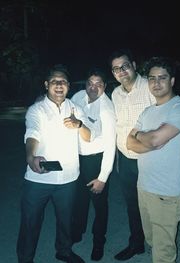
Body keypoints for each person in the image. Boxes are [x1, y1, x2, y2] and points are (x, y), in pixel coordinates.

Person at [16, 64, 92, 263]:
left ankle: (64, 251)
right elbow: (32, 133)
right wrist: (30, 157)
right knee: (30, 221)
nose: (59, 85)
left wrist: (80, 124)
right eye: (55, 81)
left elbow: (88, 136)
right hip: (38, 177)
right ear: (46, 84)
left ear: (68, 86)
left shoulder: (76, 108)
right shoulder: (37, 109)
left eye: (63, 82)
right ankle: (25, 259)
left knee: (66, 220)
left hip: (68, 178)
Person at [126, 56, 180, 263]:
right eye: (152, 78)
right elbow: (129, 142)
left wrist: (147, 138)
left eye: (162, 78)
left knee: (163, 254)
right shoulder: (147, 111)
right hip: (144, 187)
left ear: (172, 81)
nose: (156, 83)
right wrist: (145, 138)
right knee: (152, 241)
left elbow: (154, 140)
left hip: (166, 194)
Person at [109, 48, 156, 261]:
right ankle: (136, 243)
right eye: (116, 68)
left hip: (150, 159)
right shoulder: (115, 94)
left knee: (154, 204)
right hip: (125, 159)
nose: (121, 71)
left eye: (125, 66)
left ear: (134, 65)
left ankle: (158, 245)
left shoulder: (149, 86)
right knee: (132, 204)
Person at [71, 68, 116, 261]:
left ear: (104, 87)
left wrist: (103, 177)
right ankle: (77, 232)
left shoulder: (106, 109)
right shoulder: (79, 96)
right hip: (77, 158)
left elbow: (110, 146)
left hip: (96, 160)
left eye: (98, 84)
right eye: (90, 83)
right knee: (79, 200)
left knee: (99, 205)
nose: (93, 87)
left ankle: (99, 242)